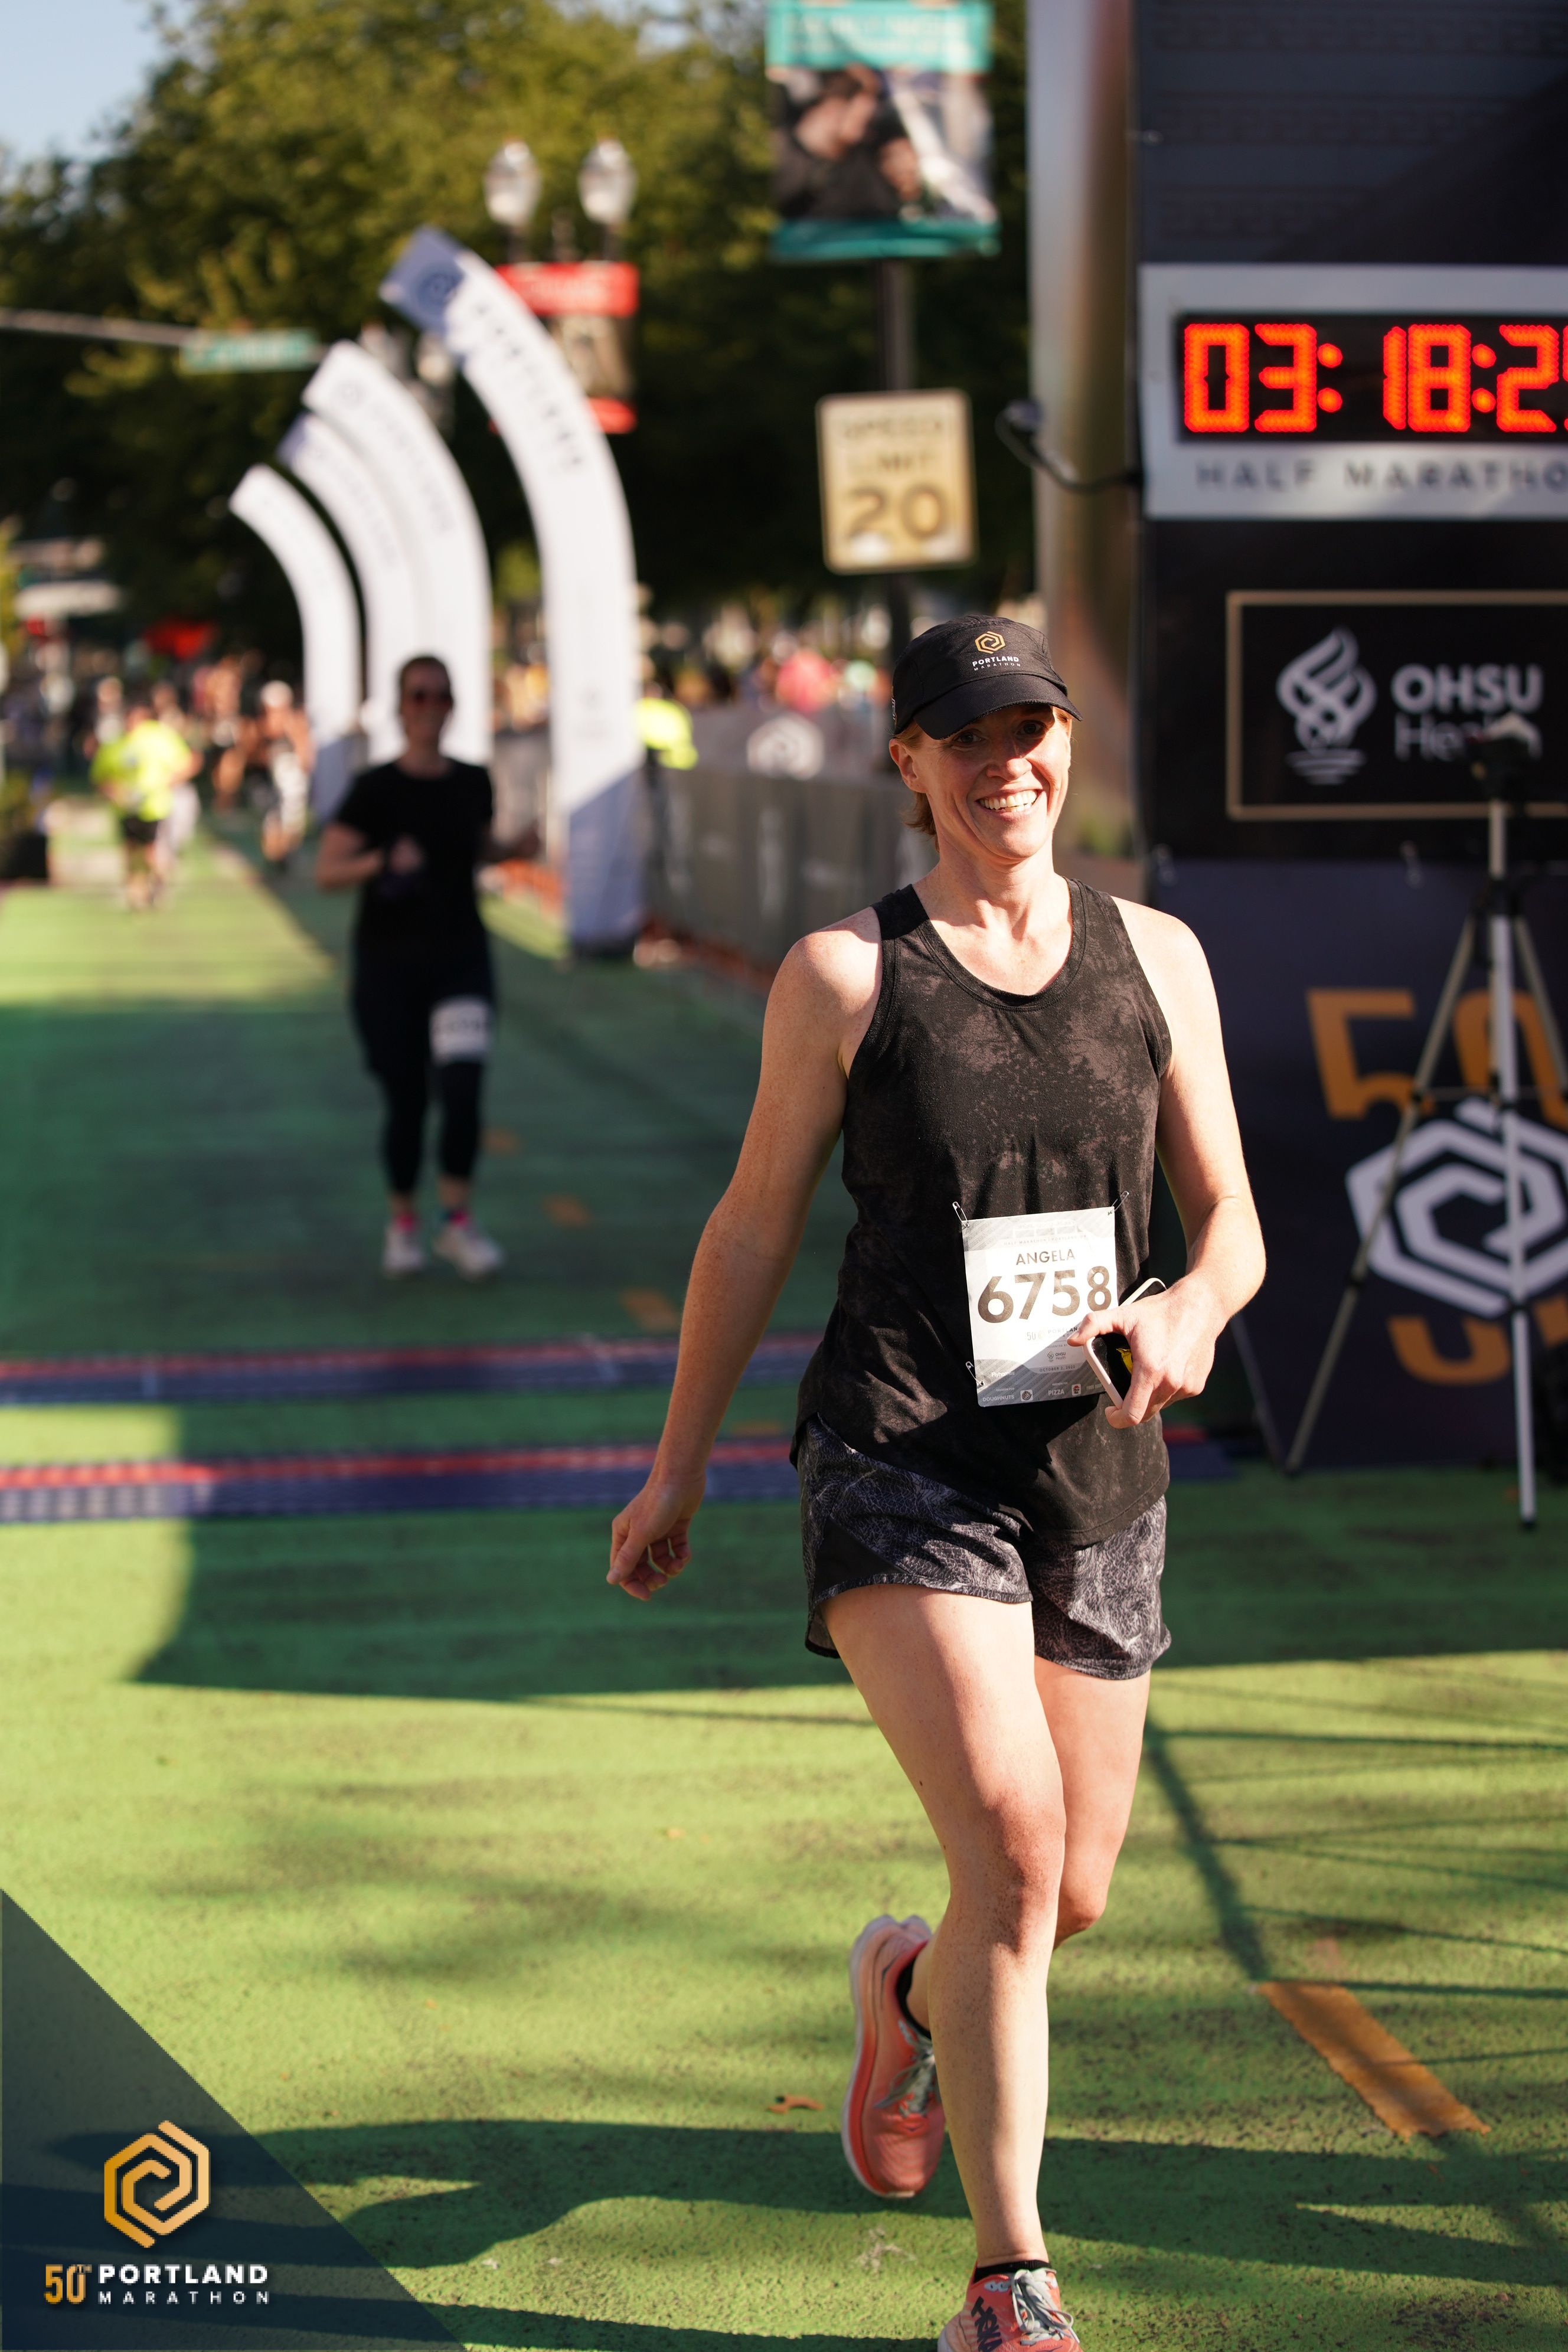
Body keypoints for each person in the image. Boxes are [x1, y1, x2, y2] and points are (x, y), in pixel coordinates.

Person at [608, 615, 1265, 2352]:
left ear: (1065, 744)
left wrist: (1190, 1308)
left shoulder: (1159, 957)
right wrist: (676, 1470)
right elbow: (750, 1225)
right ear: (907, 760)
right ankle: (1008, 2278)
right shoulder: (846, 975)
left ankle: (905, 1991)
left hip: (1094, 1466)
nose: (1006, 762)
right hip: (900, 1454)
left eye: (1028, 726)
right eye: (966, 736)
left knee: (1065, 1892)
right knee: (1014, 1842)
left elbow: (1234, 1225)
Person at [316, 654, 515, 1280]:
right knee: (407, 1102)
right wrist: (380, 862)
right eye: (418, 695)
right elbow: (327, 871)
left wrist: (515, 849)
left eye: (439, 695)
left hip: (460, 960)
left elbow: (478, 848)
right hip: (389, 968)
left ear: (452, 706)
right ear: (400, 707)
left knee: (462, 1089)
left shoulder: (473, 781)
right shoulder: (375, 788)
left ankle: (456, 1221)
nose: (429, 706)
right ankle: (402, 1222)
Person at [90, 692, 199, 908]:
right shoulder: (115, 744)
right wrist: (113, 791)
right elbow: (100, 777)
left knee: (150, 852)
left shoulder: (160, 738)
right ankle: (136, 893)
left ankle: (157, 882)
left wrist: (168, 782)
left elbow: (189, 762)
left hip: (154, 808)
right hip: (126, 808)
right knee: (131, 853)